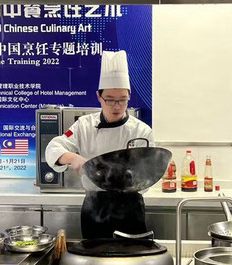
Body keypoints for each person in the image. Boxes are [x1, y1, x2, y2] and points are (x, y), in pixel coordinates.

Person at [45, 50, 153, 239]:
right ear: (99, 96)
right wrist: (72, 158)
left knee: (133, 254)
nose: (117, 106)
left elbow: (147, 172)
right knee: (93, 253)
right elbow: (54, 147)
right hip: (94, 205)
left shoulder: (142, 131)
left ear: (129, 96)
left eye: (122, 100)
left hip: (130, 206)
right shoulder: (83, 125)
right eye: (110, 100)